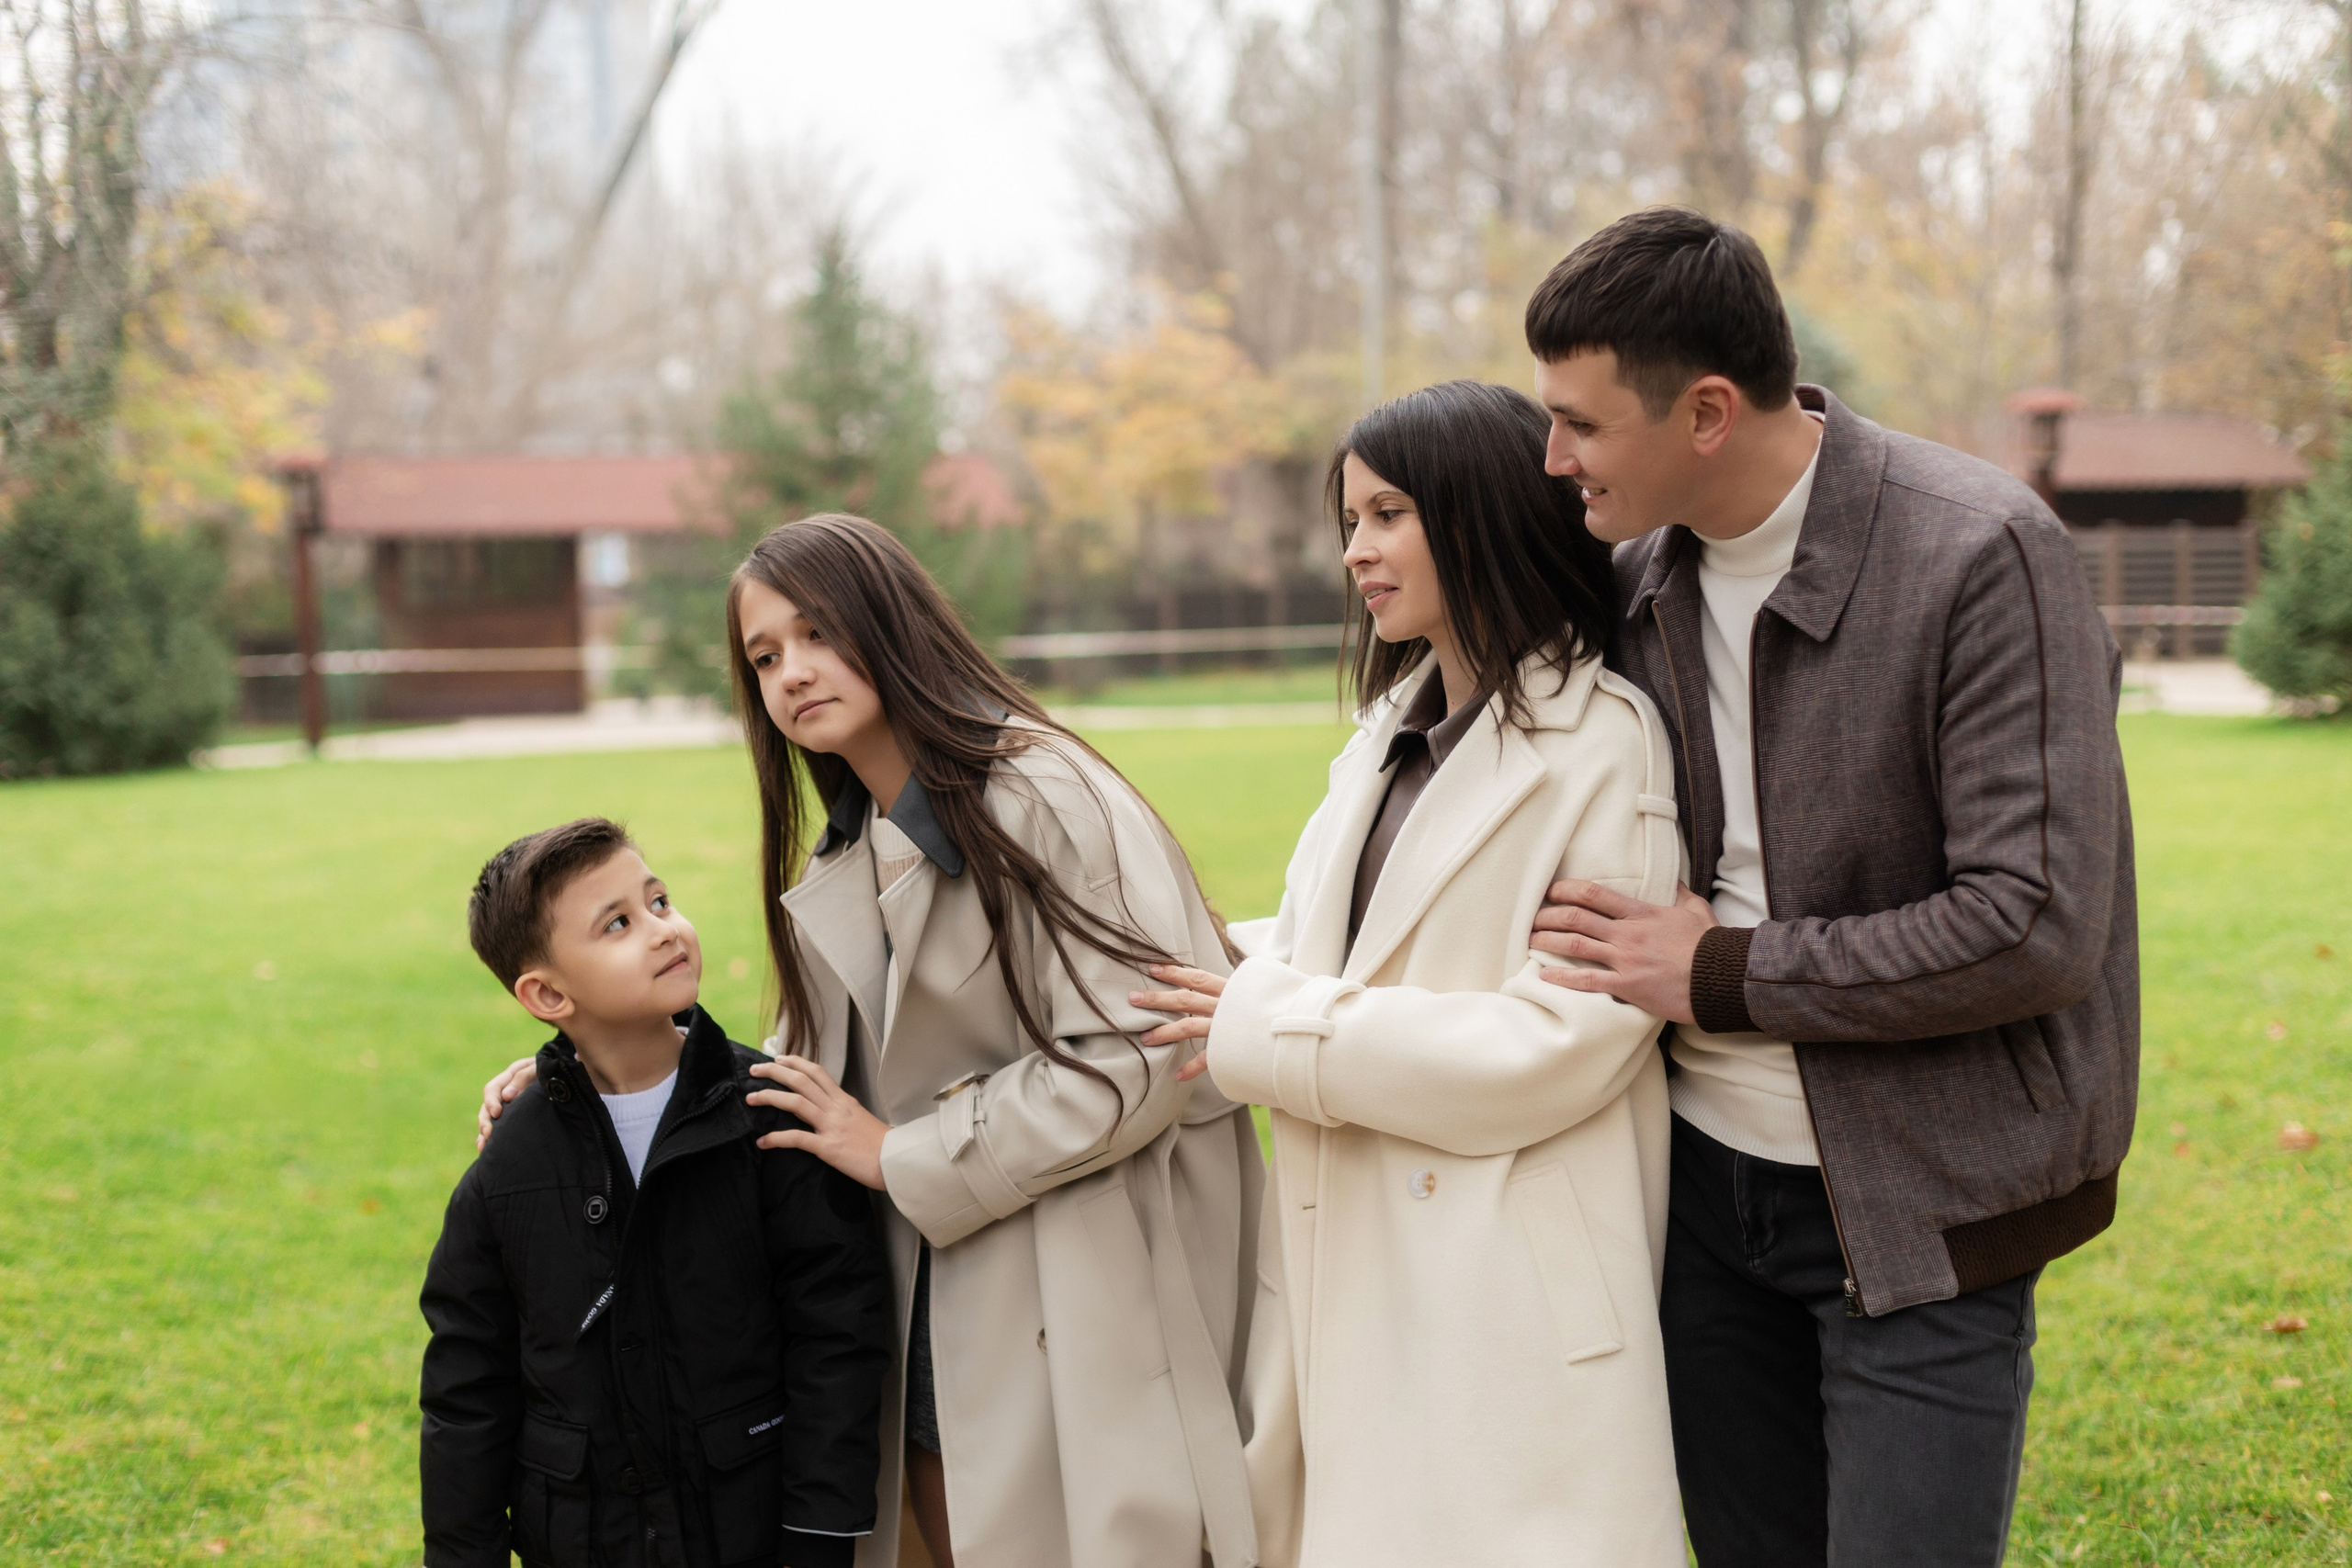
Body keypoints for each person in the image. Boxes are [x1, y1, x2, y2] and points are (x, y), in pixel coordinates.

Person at [1521, 208, 2138, 1567]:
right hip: (1696, 1197)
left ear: (1706, 411)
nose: (1551, 457)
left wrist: (1718, 971)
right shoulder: (1632, 573)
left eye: (1579, 422)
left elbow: (2033, 921)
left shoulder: (1980, 553)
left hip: (1923, 1200)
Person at [481, 515, 1263, 1568]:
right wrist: (585, 1084)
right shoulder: (854, 840)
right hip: (935, 1290)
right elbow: (799, 1077)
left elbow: (1141, 1054)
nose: (792, 673)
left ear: (890, 622)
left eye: (816, 634)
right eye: (765, 656)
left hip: (1088, 1279)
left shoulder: (1043, 794)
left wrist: (898, 1154)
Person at [1136, 380, 1688, 1567]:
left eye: (1387, 513)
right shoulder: (1386, 732)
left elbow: (1557, 1045)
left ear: (1477, 511)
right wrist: (1193, 972)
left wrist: (1267, 1021)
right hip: (1353, 1263)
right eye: (1350, 518)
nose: (1355, 550)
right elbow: (1312, 944)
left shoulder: (1605, 741)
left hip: (1504, 1292)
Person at [421, 817, 893, 1568]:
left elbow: (836, 1334)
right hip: (579, 1535)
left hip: (747, 1525)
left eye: (660, 901)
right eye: (618, 923)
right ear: (546, 993)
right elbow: (466, 1387)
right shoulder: (510, 1162)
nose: (663, 930)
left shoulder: (769, 1119)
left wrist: (821, 1531)